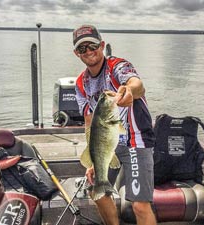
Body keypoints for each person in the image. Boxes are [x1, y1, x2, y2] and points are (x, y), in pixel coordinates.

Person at [73, 24, 157, 225]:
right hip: (107, 143)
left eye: (92, 46)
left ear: (102, 45)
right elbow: (89, 122)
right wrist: (93, 159)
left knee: (140, 205)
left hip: (135, 140)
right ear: (77, 53)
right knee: (98, 191)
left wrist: (128, 92)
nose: (89, 52)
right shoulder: (80, 83)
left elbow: (137, 85)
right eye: (82, 48)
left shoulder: (118, 66)